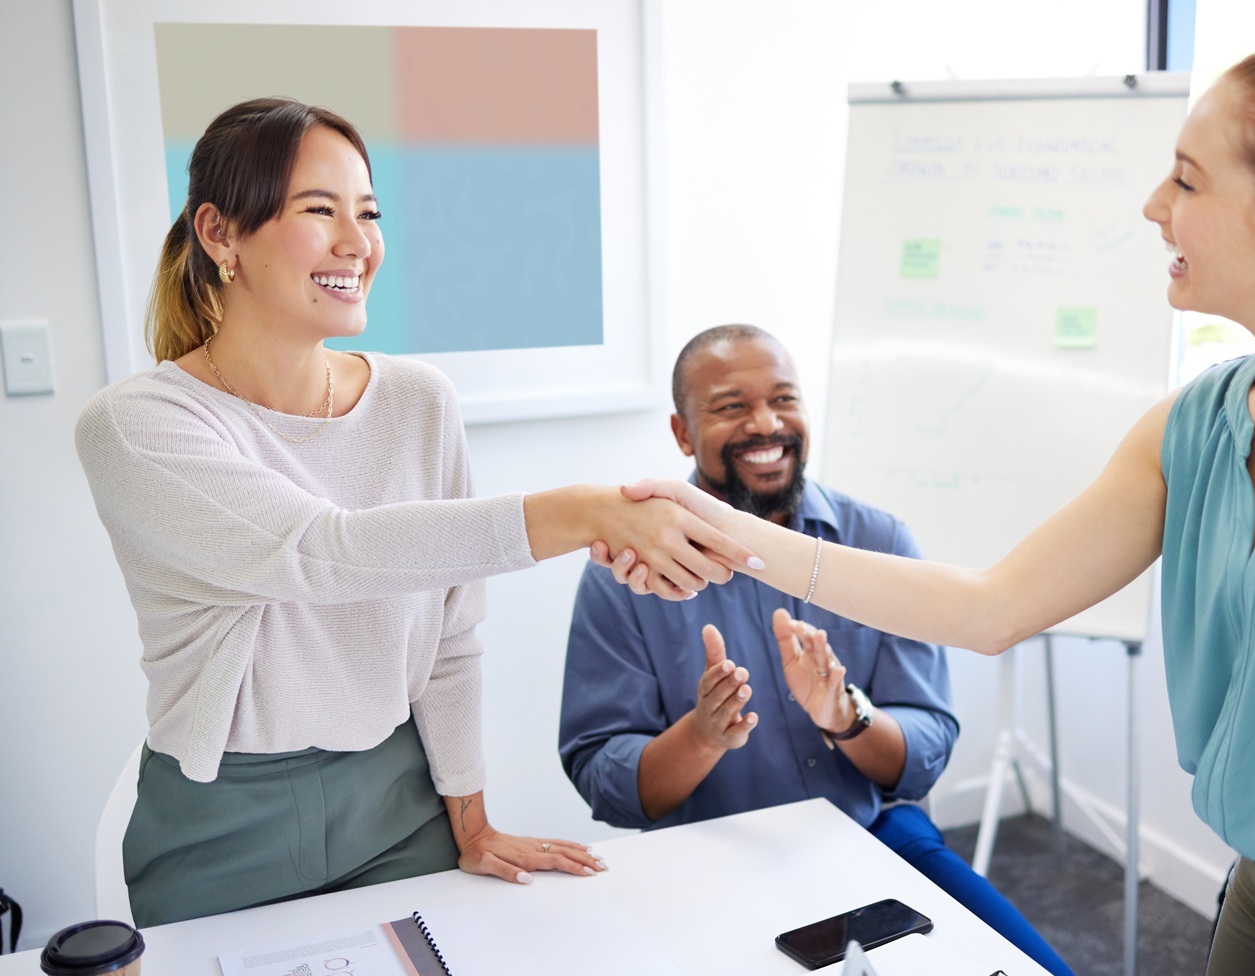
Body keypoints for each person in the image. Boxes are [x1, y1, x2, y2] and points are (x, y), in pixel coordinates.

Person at [597, 44, 1255, 976]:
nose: (1153, 205)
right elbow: (989, 605)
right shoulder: (1195, 422)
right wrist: (729, 534)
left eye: (1187, 179)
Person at [74, 98, 752, 927]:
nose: (356, 243)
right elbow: (321, 552)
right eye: (319, 211)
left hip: (398, 799)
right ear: (219, 234)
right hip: (221, 819)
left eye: (367, 212)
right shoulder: (138, 425)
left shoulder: (416, 401)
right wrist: (583, 512)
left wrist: (469, 819)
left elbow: (449, 634)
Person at [559, 324, 1086, 976]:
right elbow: (605, 780)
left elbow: (924, 748)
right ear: (682, 433)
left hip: (876, 838)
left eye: (784, 399)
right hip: (711, 863)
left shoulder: (878, 539)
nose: (765, 423)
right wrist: (700, 736)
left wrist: (847, 716)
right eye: (730, 406)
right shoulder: (625, 573)